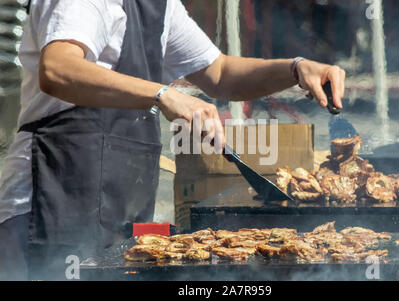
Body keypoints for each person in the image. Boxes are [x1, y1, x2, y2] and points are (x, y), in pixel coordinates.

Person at [0, 0, 345, 280]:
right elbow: (58, 69)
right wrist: (163, 94)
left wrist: (295, 69)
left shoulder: (160, 6)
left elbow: (220, 74)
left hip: (118, 207)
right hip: (51, 201)